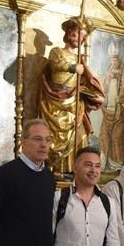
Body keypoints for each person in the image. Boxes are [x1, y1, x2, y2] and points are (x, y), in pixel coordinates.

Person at [38, 17, 105, 173]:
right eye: (76, 33)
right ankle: (57, 169)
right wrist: (72, 67)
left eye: (82, 36)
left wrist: (92, 93)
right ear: (68, 34)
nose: (78, 38)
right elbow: (56, 64)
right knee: (56, 135)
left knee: (79, 135)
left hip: (75, 101)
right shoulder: (57, 51)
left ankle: (75, 169)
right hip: (56, 99)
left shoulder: (80, 59)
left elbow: (86, 80)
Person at [99, 43, 124, 172]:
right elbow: (102, 89)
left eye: (115, 59)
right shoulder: (109, 72)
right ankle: (104, 163)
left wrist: (121, 100)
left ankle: (117, 164)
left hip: (120, 111)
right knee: (104, 135)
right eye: (111, 60)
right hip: (108, 109)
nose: (113, 62)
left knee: (117, 137)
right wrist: (109, 80)